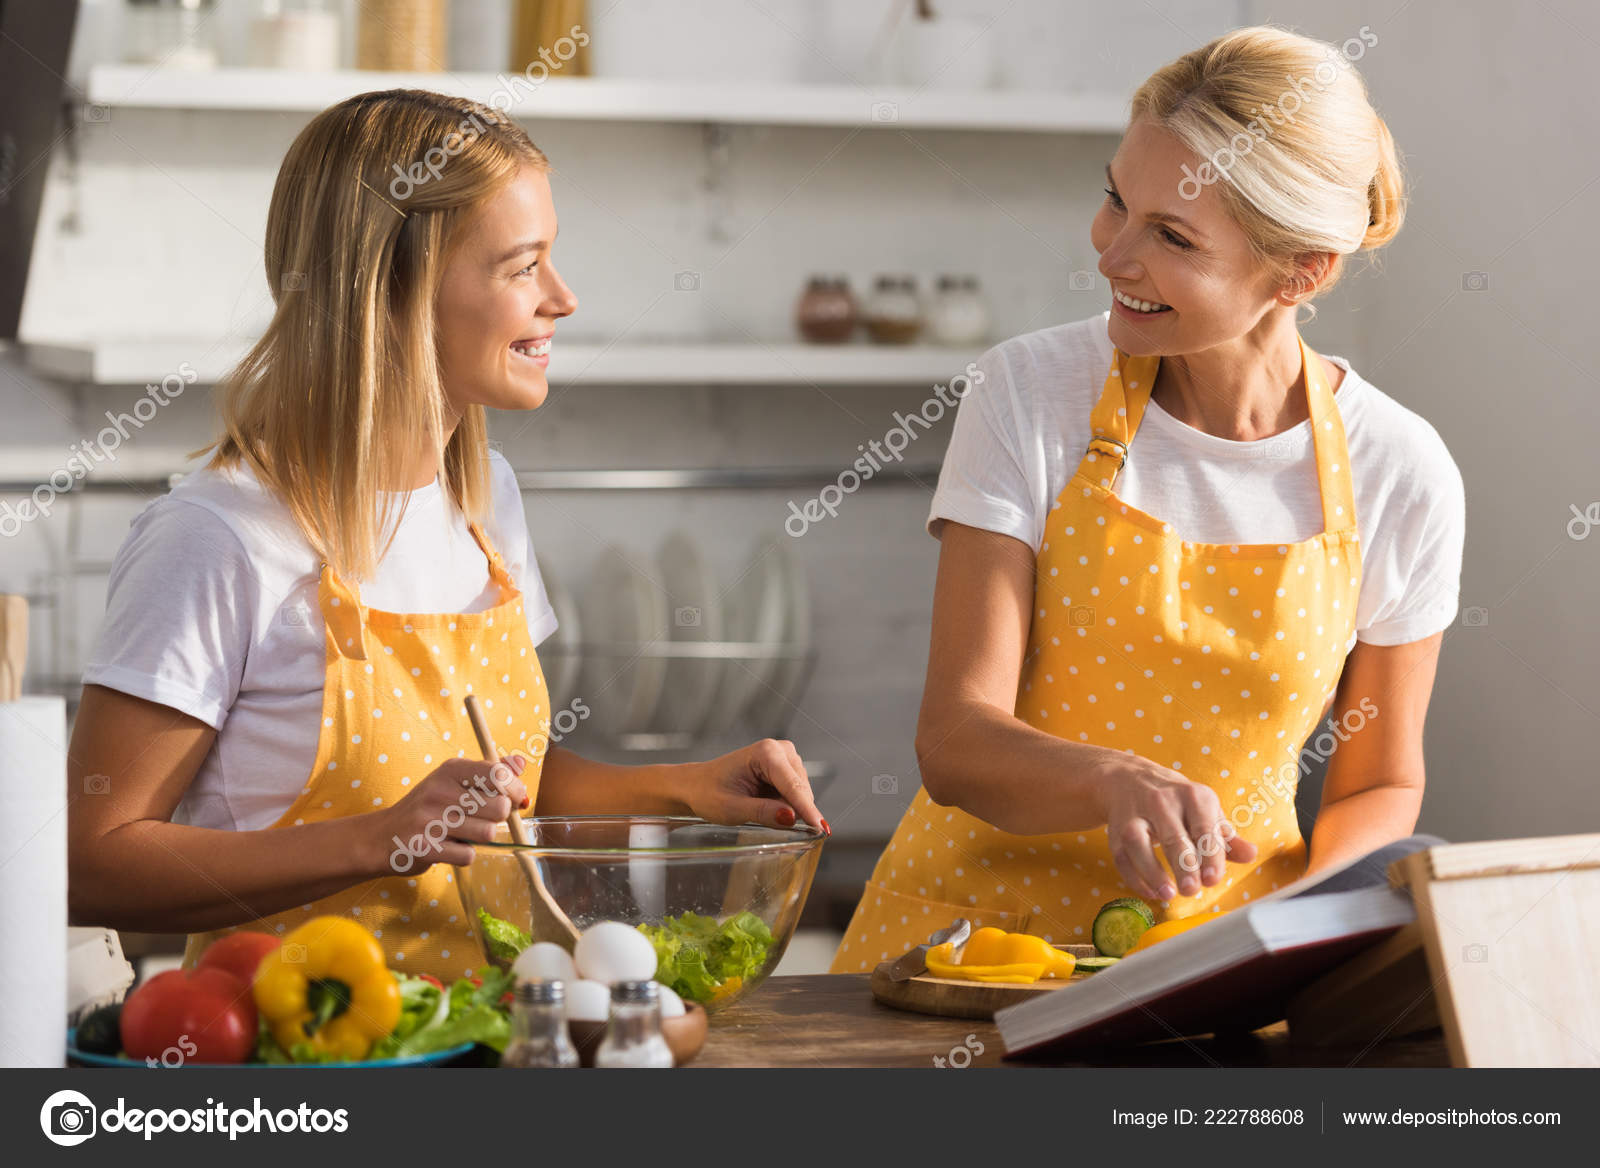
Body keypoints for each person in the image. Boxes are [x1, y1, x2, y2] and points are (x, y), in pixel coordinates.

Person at [67, 90, 824, 981]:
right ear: (388, 291)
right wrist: (380, 841)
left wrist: (689, 790)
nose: (563, 298)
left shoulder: (484, 500)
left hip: (491, 1035)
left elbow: (511, 788)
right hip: (301, 1055)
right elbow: (91, 864)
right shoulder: (218, 537)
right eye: (521, 266)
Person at [833, 27, 1463, 971]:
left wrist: (1303, 931)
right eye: (1115, 202)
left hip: (1220, 961)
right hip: (969, 950)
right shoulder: (1030, 392)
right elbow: (956, 740)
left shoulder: (1399, 469)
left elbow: (1379, 780)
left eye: (1171, 236)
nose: (1112, 256)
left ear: (1301, 271)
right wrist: (1110, 779)